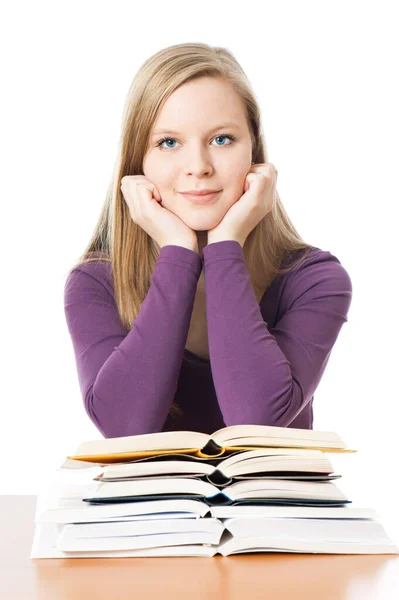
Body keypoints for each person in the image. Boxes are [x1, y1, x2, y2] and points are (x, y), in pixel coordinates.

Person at [63, 42, 352, 439]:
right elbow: (124, 428)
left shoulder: (315, 280)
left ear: (255, 153)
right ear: (138, 163)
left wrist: (225, 246)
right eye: (168, 142)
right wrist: (179, 254)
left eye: (221, 140)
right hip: (152, 504)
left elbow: (257, 423)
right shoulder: (95, 282)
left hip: (269, 503)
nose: (198, 167)